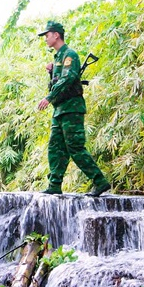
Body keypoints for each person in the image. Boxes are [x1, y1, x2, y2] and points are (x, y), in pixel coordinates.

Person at [36, 21, 111, 197]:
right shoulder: (57, 58)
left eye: (47, 35)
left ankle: (100, 181)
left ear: (56, 35)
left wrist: (49, 97)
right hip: (60, 109)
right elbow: (57, 81)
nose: (46, 39)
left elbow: (67, 79)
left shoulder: (69, 55)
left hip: (71, 108)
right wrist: (51, 72)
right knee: (56, 148)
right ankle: (54, 184)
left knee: (75, 147)